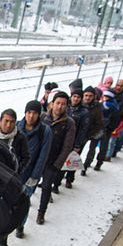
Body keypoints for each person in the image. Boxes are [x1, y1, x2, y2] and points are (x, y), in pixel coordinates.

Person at [0, 108, 29, 246]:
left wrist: (15, 173)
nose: (8, 125)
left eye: (12, 122)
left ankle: (2, 239)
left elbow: (26, 158)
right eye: (6, 121)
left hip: (8, 182)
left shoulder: (20, 138)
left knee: (4, 212)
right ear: (0, 120)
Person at [38, 91, 76, 224]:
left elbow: (67, 146)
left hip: (53, 161)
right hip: (39, 158)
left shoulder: (69, 123)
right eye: (58, 103)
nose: (60, 107)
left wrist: (57, 164)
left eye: (63, 104)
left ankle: (41, 212)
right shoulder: (42, 118)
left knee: (46, 186)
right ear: (52, 104)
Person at [16, 100, 53, 237]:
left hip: (30, 174)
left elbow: (43, 156)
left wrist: (35, 176)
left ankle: (20, 226)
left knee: (24, 203)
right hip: (14, 173)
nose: (31, 116)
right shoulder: (17, 126)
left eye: (34, 113)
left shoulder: (45, 131)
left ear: (39, 115)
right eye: (28, 112)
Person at [66, 85, 89, 188]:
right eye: (74, 96)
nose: (76, 99)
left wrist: (78, 144)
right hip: (65, 139)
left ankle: (69, 179)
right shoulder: (67, 108)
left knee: (73, 161)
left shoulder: (84, 112)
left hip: (76, 140)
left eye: (78, 97)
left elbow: (83, 130)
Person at [81, 86, 106, 173]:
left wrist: (90, 134)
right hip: (79, 134)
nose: (88, 98)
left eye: (90, 96)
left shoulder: (97, 108)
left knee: (91, 149)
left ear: (94, 97)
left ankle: (86, 165)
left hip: (90, 133)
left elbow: (99, 123)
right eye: (86, 95)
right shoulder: (80, 105)